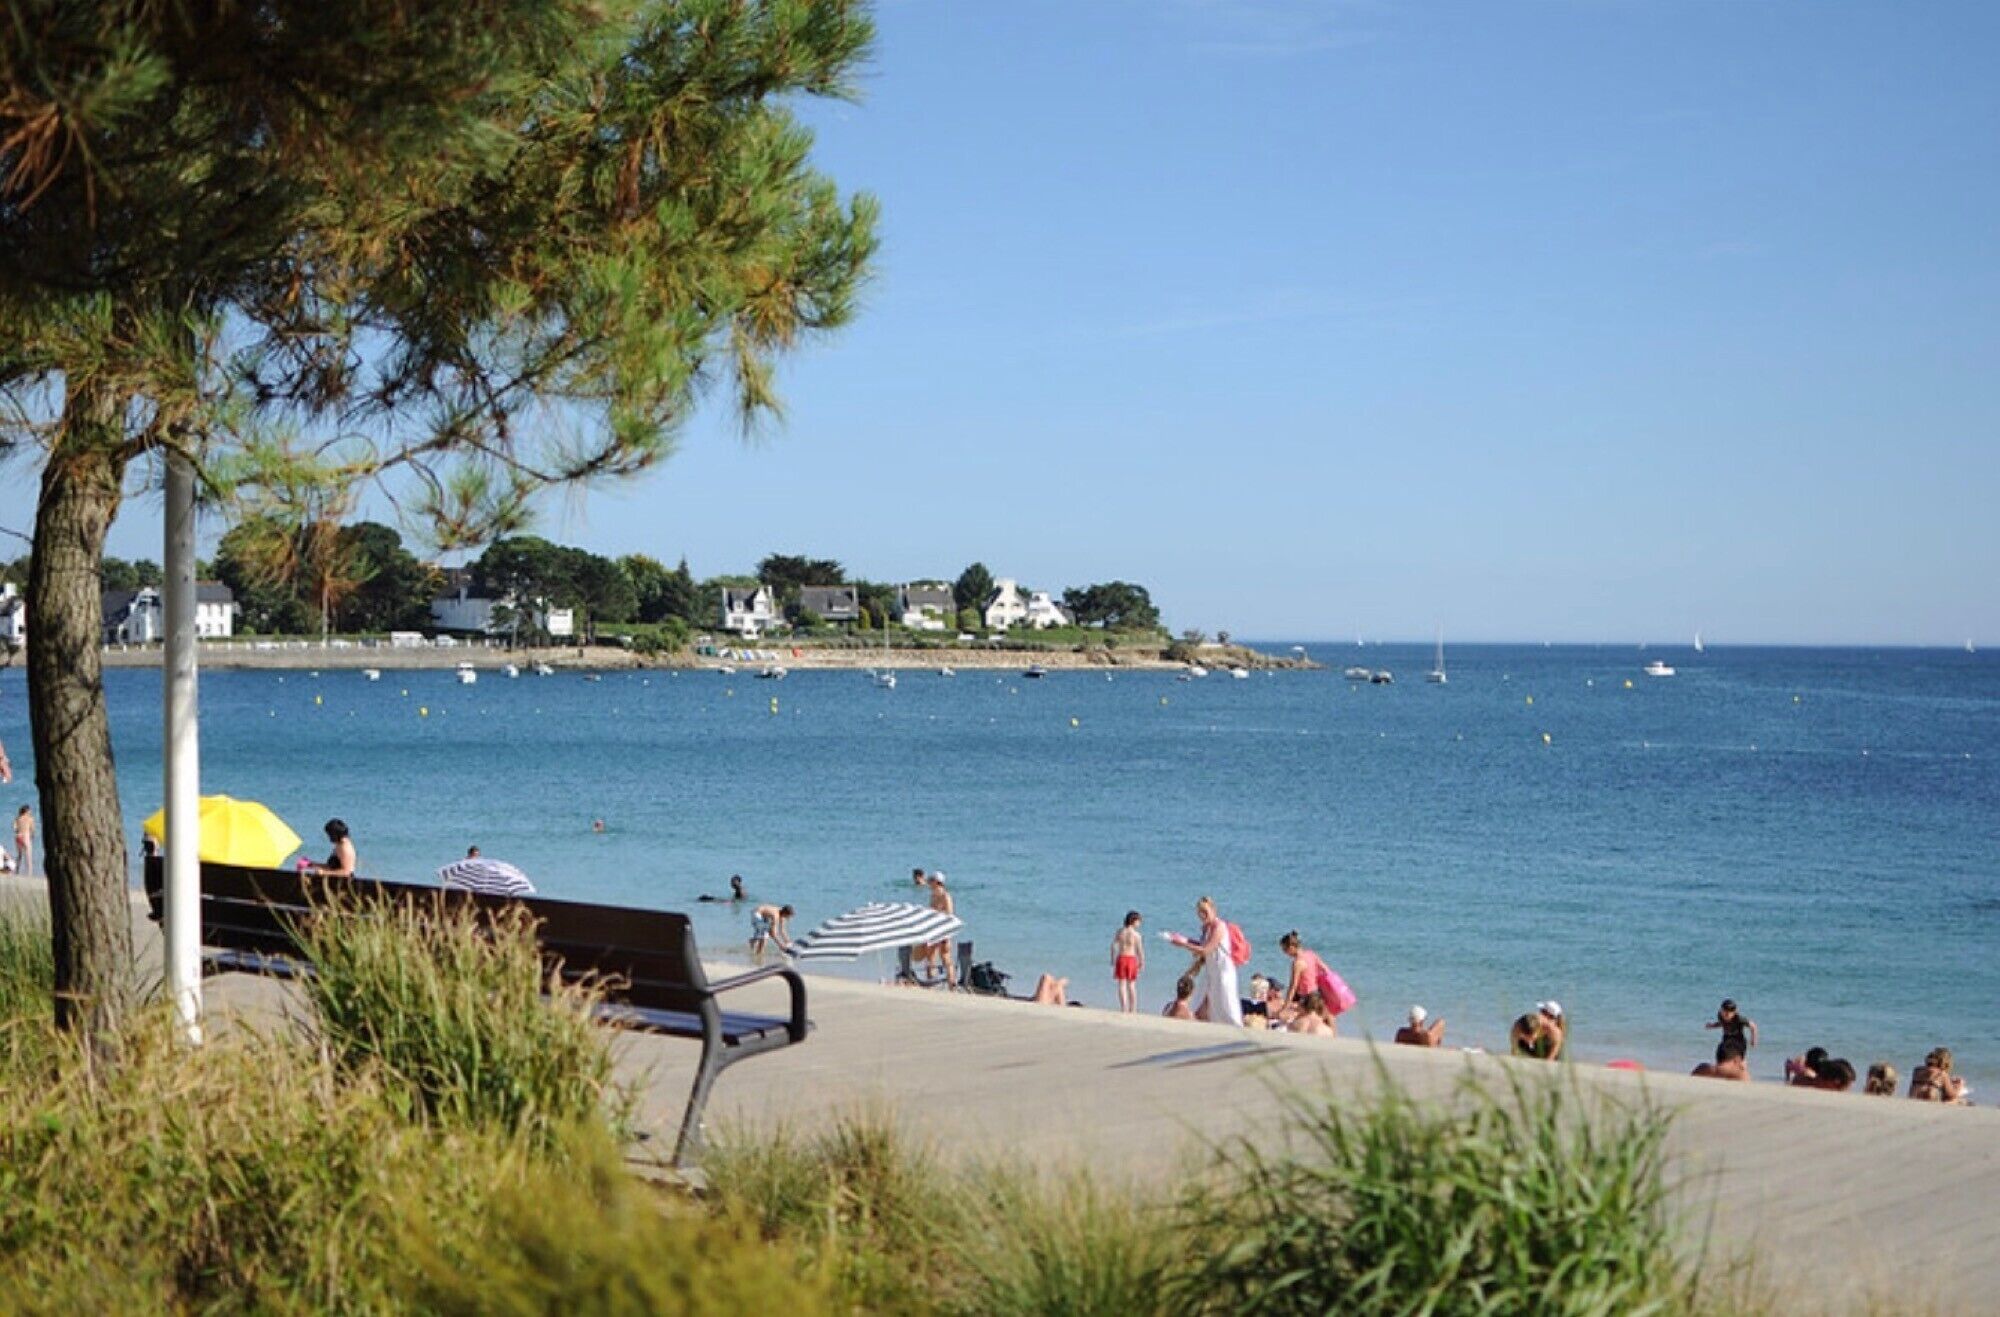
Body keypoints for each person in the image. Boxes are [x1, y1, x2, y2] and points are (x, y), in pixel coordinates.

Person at [1164, 896, 1242, 1026]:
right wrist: (1183, 939)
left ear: (1213, 910)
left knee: (1228, 1005)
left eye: (1205, 911)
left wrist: (1183, 944)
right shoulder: (1207, 928)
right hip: (1212, 972)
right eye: (1200, 912)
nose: (1202, 915)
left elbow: (1206, 950)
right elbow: (1200, 944)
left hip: (1223, 971)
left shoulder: (1219, 927)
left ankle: (1237, 1028)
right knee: (1212, 1006)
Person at [924, 872, 956, 985]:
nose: (929, 883)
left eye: (931, 881)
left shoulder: (945, 896)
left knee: (945, 956)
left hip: (943, 930)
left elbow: (949, 915)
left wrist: (946, 935)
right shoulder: (933, 896)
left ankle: (951, 983)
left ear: (937, 882)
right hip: (934, 930)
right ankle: (930, 980)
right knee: (930, 955)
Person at [1704, 998, 1759, 1064]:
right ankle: (1721, 1068)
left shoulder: (1739, 1019)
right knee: (1720, 1054)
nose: (1727, 1014)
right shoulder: (1720, 1016)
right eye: (1725, 1011)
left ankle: (1743, 1066)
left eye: (1730, 1012)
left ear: (1735, 1012)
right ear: (1721, 1010)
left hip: (1738, 1039)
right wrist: (1712, 1025)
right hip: (1727, 1038)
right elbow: (1722, 1023)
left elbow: (1753, 1026)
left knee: (1739, 1059)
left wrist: (1753, 1040)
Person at [1111, 911, 1144, 1013]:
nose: (1139, 923)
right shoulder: (1136, 935)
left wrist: (1112, 958)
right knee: (1131, 985)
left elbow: (1113, 945)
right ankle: (1133, 1008)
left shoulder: (1120, 932)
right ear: (1133, 921)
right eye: (1138, 921)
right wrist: (1142, 961)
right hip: (1131, 959)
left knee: (1121, 984)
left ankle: (1123, 1007)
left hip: (1121, 958)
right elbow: (1139, 950)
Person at [13, 805, 32, 879]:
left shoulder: (17, 818)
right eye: (29, 811)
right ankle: (29, 873)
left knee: (19, 855)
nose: (30, 812)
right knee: (28, 856)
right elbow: (32, 829)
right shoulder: (30, 819)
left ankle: (17, 871)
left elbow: (15, 828)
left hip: (18, 836)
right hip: (26, 836)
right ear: (26, 811)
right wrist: (32, 836)